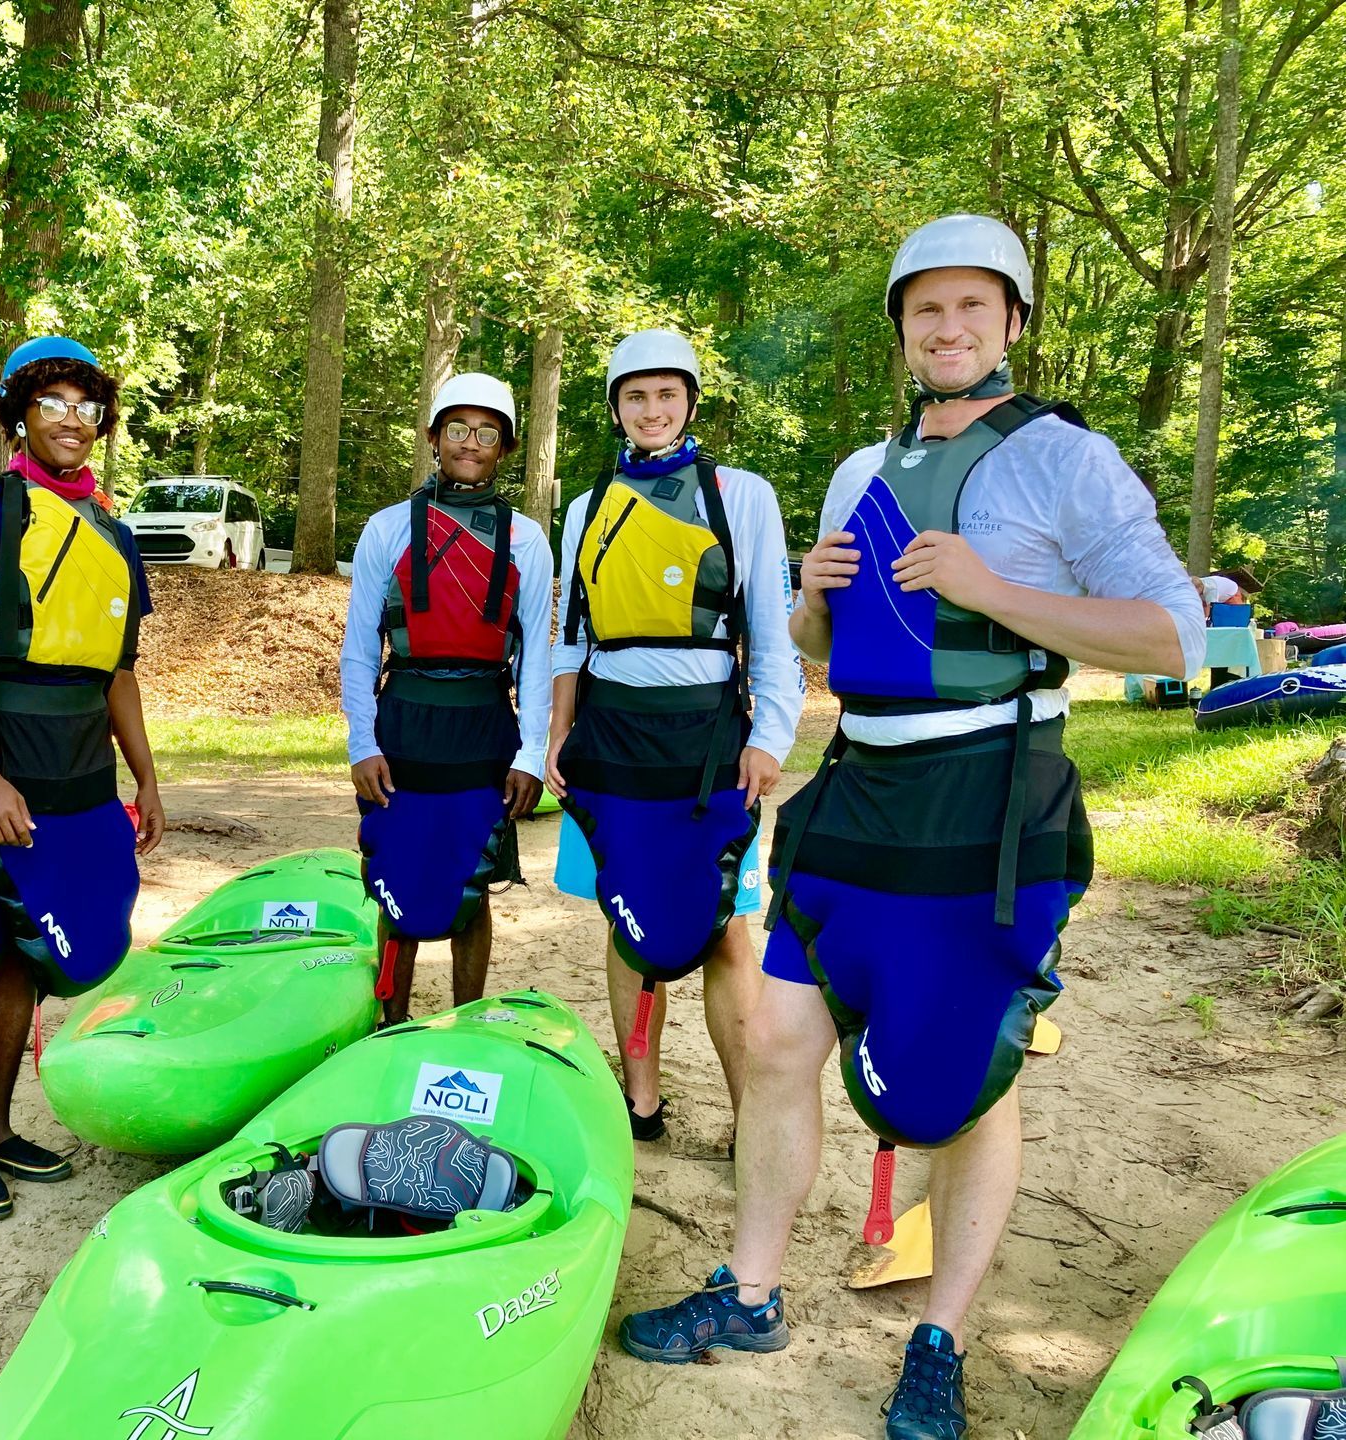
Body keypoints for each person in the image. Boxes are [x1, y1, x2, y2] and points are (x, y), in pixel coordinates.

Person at [614, 216, 1206, 1440]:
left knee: (968, 1083)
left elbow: (1172, 637)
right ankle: (755, 1288)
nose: (946, 330)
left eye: (971, 310)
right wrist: (818, 610)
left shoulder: (1064, 459)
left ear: (1013, 322)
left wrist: (992, 586)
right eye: (924, 311)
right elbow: (836, 658)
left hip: (987, 798)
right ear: (902, 328)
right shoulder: (857, 469)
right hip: (858, 790)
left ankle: (938, 1338)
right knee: (778, 1039)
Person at [0, 335, 166, 1223]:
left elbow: (119, 675)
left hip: (79, 776)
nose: (72, 419)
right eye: (52, 401)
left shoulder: (114, 534)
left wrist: (146, 777)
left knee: (33, 956)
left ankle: (2, 1123)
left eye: (87, 406)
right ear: (20, 412)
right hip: (0, 763)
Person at [545, 329, 802, 1146]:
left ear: (691, 401)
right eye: (635, 396)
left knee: (727, 927)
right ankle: (641, 1101)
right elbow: (568, 637)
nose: (651, 410)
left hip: (707, 742)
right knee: (625, 916)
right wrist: (556, 732)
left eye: (666, 394)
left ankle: (748, 1114)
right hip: (612, 733)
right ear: (616, 408)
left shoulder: (742, 495)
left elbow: (773, 630)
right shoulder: (587, 506)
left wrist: (771, 737)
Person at [341, 373, 553, 1024]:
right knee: (396, 882)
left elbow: (538, 660)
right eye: (457, 428)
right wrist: (363, 742)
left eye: (486, 432)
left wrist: (532, 753)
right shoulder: (387, 530)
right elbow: (358, 646)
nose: (470, 442)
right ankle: (391, 1021)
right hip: (404, 719)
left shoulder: (526, 541)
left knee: (473, 880)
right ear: (434, 438)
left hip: (484, 724)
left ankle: (465, 1022)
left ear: (506, 447)